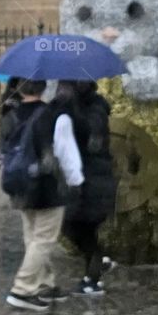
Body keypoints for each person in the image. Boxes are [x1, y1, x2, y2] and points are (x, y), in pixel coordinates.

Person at [1, 78, 83, 312]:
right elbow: (66, 152)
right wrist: (76, 181)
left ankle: (45, 283)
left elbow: (5, 147)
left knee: (33, 236)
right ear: (44, 88)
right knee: (44, 239)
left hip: (20, 182)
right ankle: (23, 289)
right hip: (46, 186)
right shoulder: (54, 115)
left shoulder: (11, 113)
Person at [57, 80, 117, 295]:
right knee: (70, 226)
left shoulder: (98, 107)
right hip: (78, 179)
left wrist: (70, 108)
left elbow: (91, 137)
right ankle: (99, 263)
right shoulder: (68, 105)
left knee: (85, 230)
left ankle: (93, 280)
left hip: (94, 180)